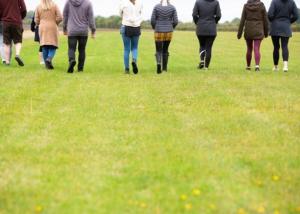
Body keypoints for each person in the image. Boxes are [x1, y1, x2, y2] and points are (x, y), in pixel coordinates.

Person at [63, 0, 96, 73]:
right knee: (82, 50)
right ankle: (80, 69)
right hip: (83, 31)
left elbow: (65, 15)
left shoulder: (68, 2)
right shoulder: (88, 3)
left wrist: (64, 28)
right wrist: (93, 30)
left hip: (72, 30)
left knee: (71, 48)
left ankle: (71, 60)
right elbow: (91, 18)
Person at [237, 0, 269, 72]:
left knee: (249, 48)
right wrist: (266, 32)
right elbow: (265, 20)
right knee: (256, 48)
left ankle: (248, 66)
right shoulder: (261, 5)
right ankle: (257, 66)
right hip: (258, 29)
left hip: (248, 30)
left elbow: (242, 20)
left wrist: (239, 34)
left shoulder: (246, 6)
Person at [268, 0, 299, 72]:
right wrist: (288, 21)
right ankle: (285, 66)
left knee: (276, 47)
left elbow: (270, 15)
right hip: (286, 26)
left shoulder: (274, 2)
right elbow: (296, 16)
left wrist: (273, 21)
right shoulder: (292, 2)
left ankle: (275, 67)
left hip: (275, 27)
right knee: (285, 46)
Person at [151, 0, 178, 74]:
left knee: (158, 50)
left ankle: (159, 63)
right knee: (165, 50)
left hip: (158, 30)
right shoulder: (172, 7)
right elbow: (176, 21)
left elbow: (152, 20)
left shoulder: (156, 7)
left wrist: (155, 27)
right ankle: (164, 69)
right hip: (169, 31)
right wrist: (171, 27)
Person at [193, 0, 221, 70]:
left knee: (202, 45)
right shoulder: (216, 2)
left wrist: (198, 22)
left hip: (200, 27)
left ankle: (202, 60)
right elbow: (218, 15)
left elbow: (194, 15)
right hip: (211, 28)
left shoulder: (198, 2)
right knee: (209, 47)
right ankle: (206, 66)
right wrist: (214, 22)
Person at [35, 0, 63, 70]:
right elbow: (60, 17)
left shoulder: (38, 6)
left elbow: (36, 20)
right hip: (52, 26)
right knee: (53, 45)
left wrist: (40, 23)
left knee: (44, 45)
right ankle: (49, 59)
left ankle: (47, 65)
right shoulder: (54, 5)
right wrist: (55, 22)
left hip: (42, 27)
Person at [0, 0, 27, 66]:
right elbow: (23, 9)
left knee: (6, 43)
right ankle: (17, 55)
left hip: (5, 22)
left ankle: (7, 61)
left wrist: (2, 18)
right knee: (18, 41)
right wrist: (20, 18)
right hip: (17, 22)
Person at [119, 0, 143, 74]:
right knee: (135, 47)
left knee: (126, 49)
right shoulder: (139, 3)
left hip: (126, 26)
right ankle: (134, 60)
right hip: (136, 27)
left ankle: (127, 69)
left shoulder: (123, 3)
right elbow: (141, 14)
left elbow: (120, 13)